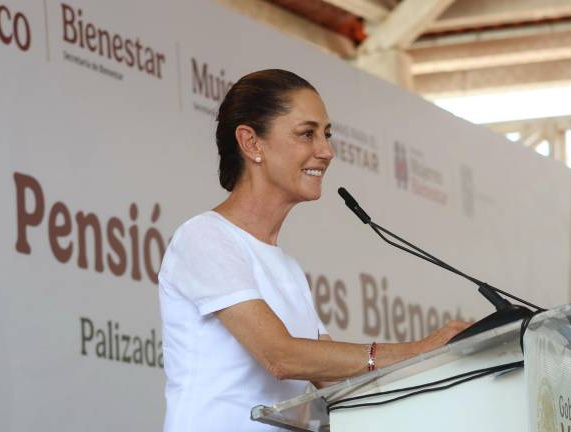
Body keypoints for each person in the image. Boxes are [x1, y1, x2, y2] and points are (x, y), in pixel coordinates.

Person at [158, 69, 470, 431]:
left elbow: (335, 382)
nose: (327, 151)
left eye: (326, 135)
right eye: (307, 134)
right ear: (251, 143)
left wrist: (450, 363)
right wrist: (418, 349)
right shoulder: (205, 237)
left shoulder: (288, 267)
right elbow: (280, 356)